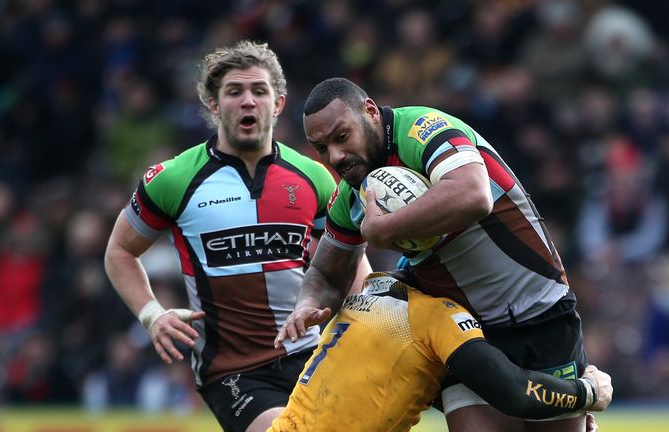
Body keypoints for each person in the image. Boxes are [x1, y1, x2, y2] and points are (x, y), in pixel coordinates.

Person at [277, 77, 592, 431]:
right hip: (466, 333)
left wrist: (385, 229)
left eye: (341, 137)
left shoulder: (424, 130)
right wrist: (307, 303)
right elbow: (326, 274)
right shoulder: (352, 194)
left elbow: (473, 196)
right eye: (321, 148)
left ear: (369, 112)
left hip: (540, 313)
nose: (335, 157)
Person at [104, 42, 370, 432]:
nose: (248, 102)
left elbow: (348, 256)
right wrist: (151, 315)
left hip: (313, 355)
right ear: (214, 104)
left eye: (259, 92)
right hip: (234, 371)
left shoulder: (313, 176)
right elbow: (119, 251)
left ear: (278, 104)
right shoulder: (174, 179)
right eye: (234, 92)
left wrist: (360, 323)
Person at [269, 271, 612, 432]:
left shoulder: (368, 290)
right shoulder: (435, 315)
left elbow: (394, 381)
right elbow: (512, 392)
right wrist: (586, 393)